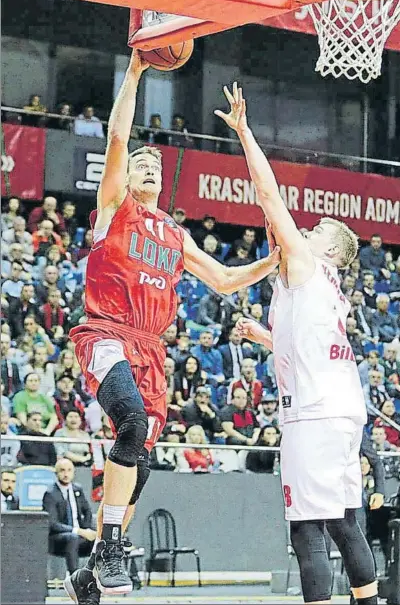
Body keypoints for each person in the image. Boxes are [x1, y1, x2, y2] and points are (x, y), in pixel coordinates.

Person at [66, 53, 280, 601]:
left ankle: (91, 570)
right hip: (107, 332)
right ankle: (111, 543)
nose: (149, 167)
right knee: (131, 423)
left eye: (155, 165)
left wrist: (272, 261)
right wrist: (135, 72)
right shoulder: (114, 208)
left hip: (151, 351)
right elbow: (118, 136)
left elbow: (226, 281)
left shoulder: (173, 232)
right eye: (141, 163)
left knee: (140, 462)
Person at [216, 82, 378, 605]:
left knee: (306, 530)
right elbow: (305, 348)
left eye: (315, 229)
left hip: (313, 415)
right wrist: (265, 336)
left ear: (330, 248)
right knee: (344, 522)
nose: (303, 231)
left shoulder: (308, 265)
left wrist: (244, 132)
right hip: (342, 412)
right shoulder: (324, 290)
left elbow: (268, 198)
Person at [43, 459, 96, 576]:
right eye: (62, 470)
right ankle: (75, 578)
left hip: (80, 534)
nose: (66, 474)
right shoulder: (50, 494)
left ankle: (98, 578)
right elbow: (53, 524)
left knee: (101, 539)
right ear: (56, 473)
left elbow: (87, 511)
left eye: (69, 470)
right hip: (57, 538)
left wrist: (86, 529)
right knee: (73, 537)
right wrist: (79, 531)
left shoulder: (78, 489)